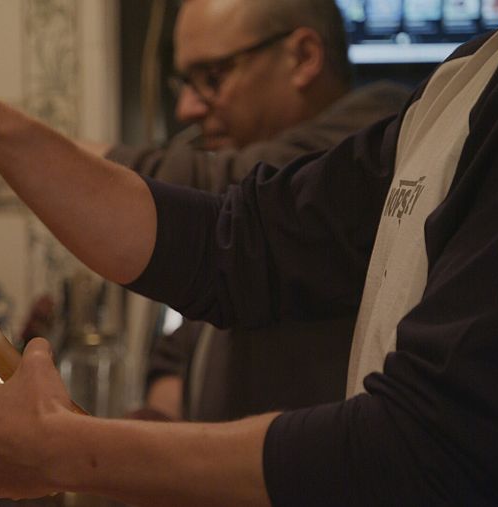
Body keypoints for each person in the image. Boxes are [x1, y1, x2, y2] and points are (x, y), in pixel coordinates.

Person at [0, 2, 498, 503]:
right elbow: (238, 244)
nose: (187, 105)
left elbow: (422, 449)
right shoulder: (473, 76)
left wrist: (72, 450)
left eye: (211, 75)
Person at [91, 0, 412, 422]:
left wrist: (10, 140)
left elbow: (212, 195)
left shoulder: (373, 141)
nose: (187, 108)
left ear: (303, 57)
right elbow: (185, 341)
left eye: (212, 77)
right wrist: (165, 413)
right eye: (184, 83)